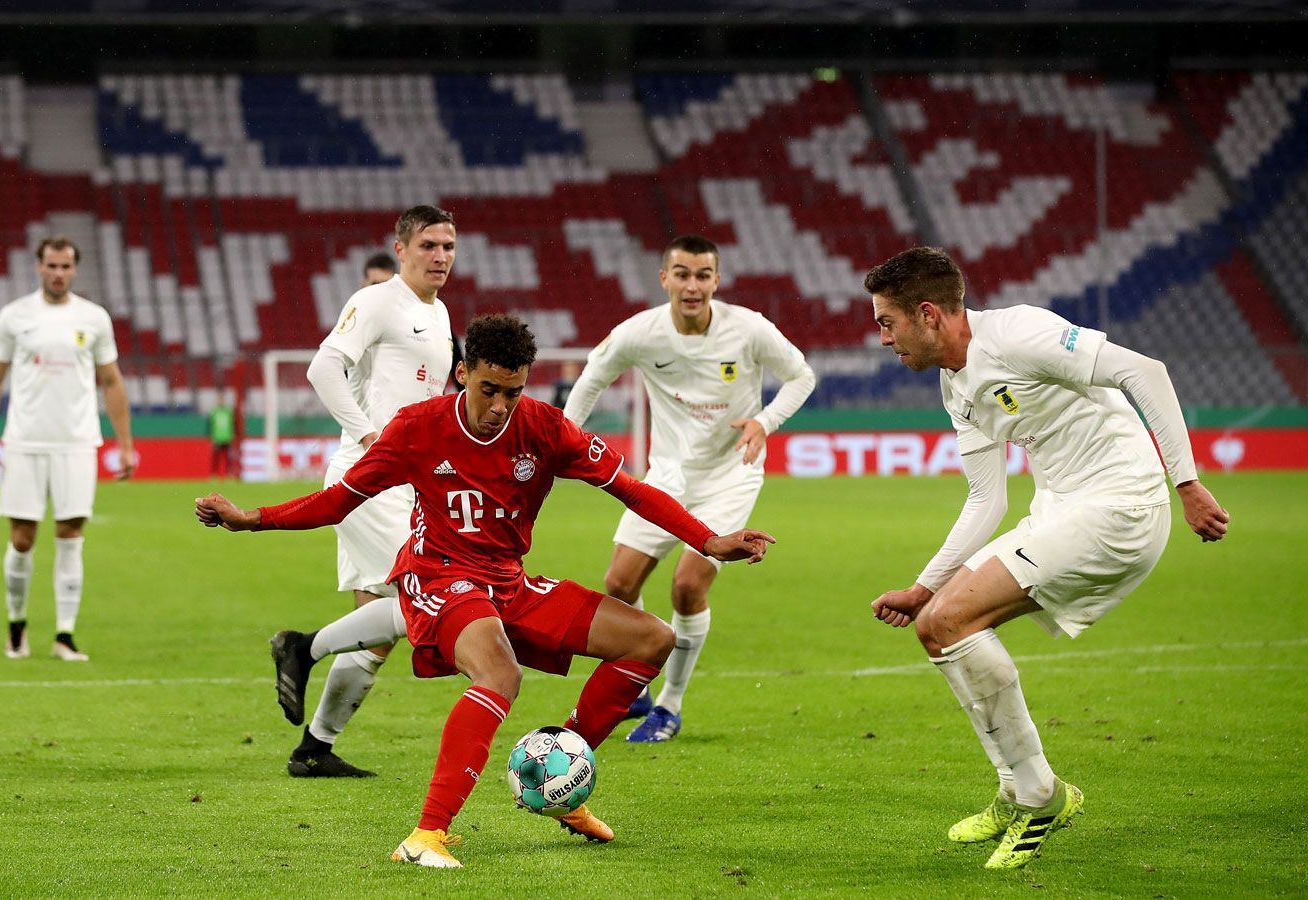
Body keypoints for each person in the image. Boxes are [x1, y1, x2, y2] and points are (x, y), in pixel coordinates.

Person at [195, 314, 773, 868]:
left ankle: (557, 778)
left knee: (652, 639)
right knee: (500, 674)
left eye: (513, 393)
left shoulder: (546, 428)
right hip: (438, 576)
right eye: (490, 389)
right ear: (463, 372)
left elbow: (633, 490)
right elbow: (338, 500)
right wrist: (253, 518)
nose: (500, 406)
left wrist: (708, 539)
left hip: (508, 579)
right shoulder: (416, 427)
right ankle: (426, 834)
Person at [863, 247, 1229, 870]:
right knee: (937, 624)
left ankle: (1039, 795)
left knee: (952, 623)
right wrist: (924, 586)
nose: (883, 339)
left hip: (1121, 503)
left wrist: (1186, 483)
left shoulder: (1019, 333)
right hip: (1060, 507)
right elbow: (986, 499)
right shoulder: (958, 384)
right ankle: (1018, 789)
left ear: (927, 313)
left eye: (886, 323)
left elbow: (1146, 371)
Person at [562, 234, 817, 742]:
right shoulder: (640, 333)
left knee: (686, 585)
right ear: (665, 279)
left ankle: (669, 706)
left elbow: (801, 375)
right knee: (618, 585)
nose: (693, 285)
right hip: (666, 478)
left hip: (730, 477)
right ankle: (635, 686)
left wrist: (765, 422)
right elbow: (591, 378)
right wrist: (561, 439)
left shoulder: (748, 329)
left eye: (703, 275)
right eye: (682, 274)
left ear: (716, 281)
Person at [279, 206, 457, 778]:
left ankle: (314, 749)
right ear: (400, 247)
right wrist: (372, 436)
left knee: (378, 627)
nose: (441, 256)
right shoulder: (378, 301)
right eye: (429, 244)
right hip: (369, 477)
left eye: (449, 246)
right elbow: (322, 369)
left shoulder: (440, 312)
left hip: (406, 481)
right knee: (419, 601)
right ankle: (301, 647)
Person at [0, 236, 135, 662]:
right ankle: (16, 625)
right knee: (22, 539)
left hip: (78, 442)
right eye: (52, 266)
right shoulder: (15, 316)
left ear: (74, 270)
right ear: (39, 266)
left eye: (66, 266)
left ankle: (64, 635)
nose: (58, 273)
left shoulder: (94, 318)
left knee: (70, 537)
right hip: (25, 441)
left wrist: (125, 444)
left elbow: (112, 381)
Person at [207, 391, 235, 479]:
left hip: (227, 437)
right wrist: (211, 437)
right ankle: (214, 475)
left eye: (222, 400)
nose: (221, 402)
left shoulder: (228, 412)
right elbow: (211, 425)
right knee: (216, 458)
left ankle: (228, 475)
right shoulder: (214, 412)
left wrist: (232, 435)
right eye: (220, 400)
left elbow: (232, 425)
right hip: (217, 438)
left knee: (228, 458)